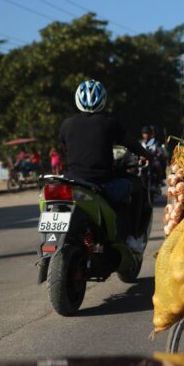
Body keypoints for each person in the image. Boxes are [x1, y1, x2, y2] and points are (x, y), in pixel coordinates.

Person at [59, 79, 155, 253]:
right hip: (100, 183)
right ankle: (131, 236)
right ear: (103, 100)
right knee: (136, 186)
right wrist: (149, 156)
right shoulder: (109, 123)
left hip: (72, 181)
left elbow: (65, 148)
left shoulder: (66, 124)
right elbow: (132, 144)